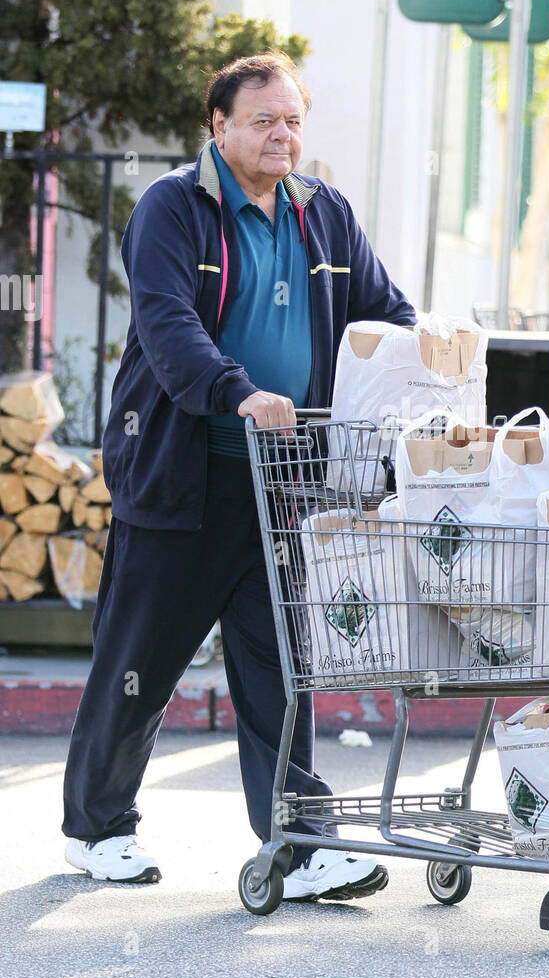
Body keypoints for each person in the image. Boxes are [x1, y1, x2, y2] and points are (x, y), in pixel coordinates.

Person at [62, 52, 416, 900]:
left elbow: (388, 311)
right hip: (185, 476)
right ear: (218, 127)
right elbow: (169, 324)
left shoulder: (323, 213)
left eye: (292, 118)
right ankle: (96, 827)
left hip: (286, 483)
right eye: (263, 120)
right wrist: (238, 391)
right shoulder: (172, 208)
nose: (281, 134)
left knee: (279, 667)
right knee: (141, 660)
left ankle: (296, 839)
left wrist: (428, 363)